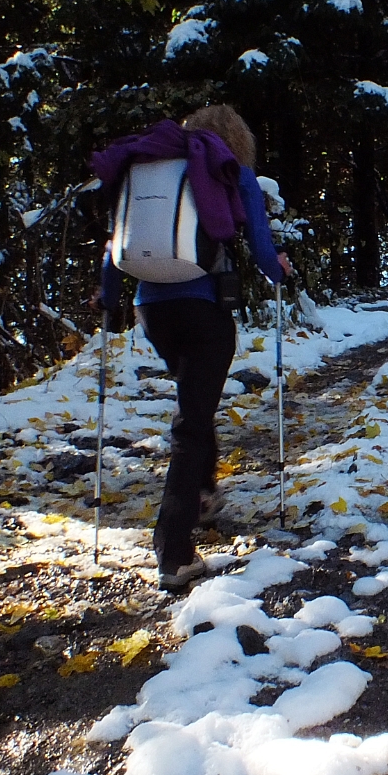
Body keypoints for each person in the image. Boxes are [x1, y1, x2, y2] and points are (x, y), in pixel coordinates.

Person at [91, 105, 291, 591]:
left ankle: (202, 493)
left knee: (193, 401)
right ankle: (173, 550)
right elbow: (263, 252)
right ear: (236, 141)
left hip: (151, 311)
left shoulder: (147, 170)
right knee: (193, 421)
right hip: (203, 309)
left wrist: (108, 295)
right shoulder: (231, 172)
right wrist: (279, 268)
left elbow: (116, 242)